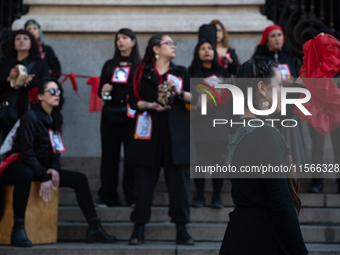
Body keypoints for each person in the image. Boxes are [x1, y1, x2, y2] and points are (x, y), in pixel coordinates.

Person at [0, 78, 117, 247]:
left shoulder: (54, 117)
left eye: (59, 92)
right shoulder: (30, 116)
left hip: (41, 168)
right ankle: (17, 229)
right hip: (18, 165)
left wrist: (54, 169)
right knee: (27, 173)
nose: (57, 95)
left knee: (80, 179)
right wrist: (43, 175)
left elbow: (56, 150)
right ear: (40, 96)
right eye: (52, 91)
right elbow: (26, 153)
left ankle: (94, 228)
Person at [219, 58, 308, 255]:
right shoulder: (264, 133)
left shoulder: (241, 127)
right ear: (261, 87)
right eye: (279, 85)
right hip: (260, 240)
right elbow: (281, 200)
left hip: (240, 235)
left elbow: (283, 112)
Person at [126, 33, 195, 245]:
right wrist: (150, 105)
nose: (173, 46)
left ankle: (181, 229)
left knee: (180, 187)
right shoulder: (142, 72)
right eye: (168, 43)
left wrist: (179, 91)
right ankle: (138, 228)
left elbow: (197, 99)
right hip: (150, 135)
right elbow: (132, 100)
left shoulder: (181, 72)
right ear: (156, 49)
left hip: (177, 136)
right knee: (144, 185)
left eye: (174, 43)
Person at [95, 28, 141, 207]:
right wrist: (104, 91)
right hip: (110, 114)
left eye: (124, 38)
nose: (120, 41)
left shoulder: (139, 65)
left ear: (133, 41)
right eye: (118, 38)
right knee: (109, 156)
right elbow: (100, 91)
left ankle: (132, 196)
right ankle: (107, 195)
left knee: (131, 157)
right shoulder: (109, 64)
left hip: (131, 115)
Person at [252, 25, 308, 168]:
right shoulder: (259, 61)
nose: (277, 38)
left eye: (279, 35)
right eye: (273, 36)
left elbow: (303, 80)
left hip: (289, 106)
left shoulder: (293, 60)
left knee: (291, 141)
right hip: (267, 109)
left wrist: (292, 82)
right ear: (266, 41)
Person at [188, 38, 230, 208]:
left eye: (210, 48)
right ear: (197, 52)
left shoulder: (223, 75)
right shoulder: (191, 74)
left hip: (220, 124)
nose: (207, 51)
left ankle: (217, 197)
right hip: (199, 124)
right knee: (200, 162)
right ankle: (199, 196)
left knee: (218, 163)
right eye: (203, 48)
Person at [0, 29, 49, 138]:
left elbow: (46, 86)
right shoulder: (6, 63)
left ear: (31, 43)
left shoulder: (39, 64)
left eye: (25, 39)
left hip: (30, 110)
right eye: (18, 39)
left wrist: (31, 82)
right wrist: (9, 79)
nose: (21, 41)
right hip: (9, 113)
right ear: (13, 43)